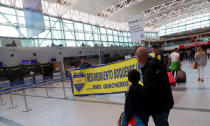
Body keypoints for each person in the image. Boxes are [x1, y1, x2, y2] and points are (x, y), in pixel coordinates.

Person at [134, 46, 174, 126]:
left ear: (139, 58)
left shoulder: (149, 70)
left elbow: (148, 91)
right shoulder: (157, 62)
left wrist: (135, 88)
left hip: (158, 106)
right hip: (167, 100)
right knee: (164, 122)